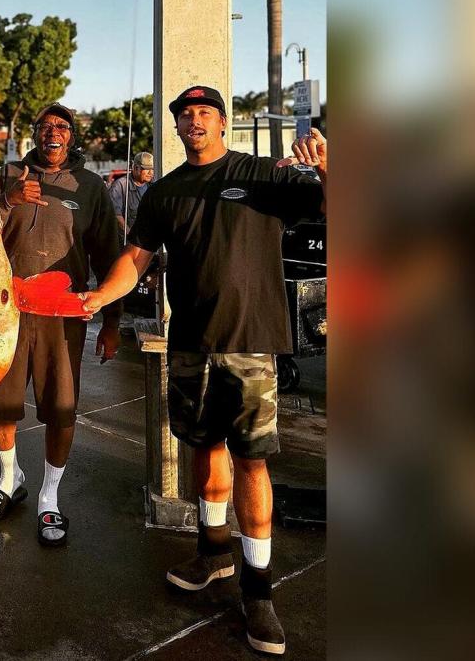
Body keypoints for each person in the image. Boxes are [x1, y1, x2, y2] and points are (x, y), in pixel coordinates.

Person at [80, 85, 327, 656]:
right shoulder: (165, 192)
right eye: (185, 114)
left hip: (248, 343)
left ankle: (258, 589)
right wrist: (99, 299)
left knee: (251, 460)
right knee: (203, 447)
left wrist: (329, 167)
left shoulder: (263, 175)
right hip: (188, 342)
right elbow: (135, 261)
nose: (194, 121)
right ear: (177, 126)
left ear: (222, 122)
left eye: (204, 113)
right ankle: (213, 550)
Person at [0, 103, 122, 546]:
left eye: (61, 126)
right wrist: (6, 200)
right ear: (35, 134)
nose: (52, 133)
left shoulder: (91, 187)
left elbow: (110, 257)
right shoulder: (8, 176)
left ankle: (48, 497)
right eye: (45, 127)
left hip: (62, 318)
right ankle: (10, 479)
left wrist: (113, 321)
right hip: (7, 313)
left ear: (71, 135)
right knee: (0, 405)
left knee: (60, 409)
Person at [108, 151, 154, 237]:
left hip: (148, 240)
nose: (151, 173)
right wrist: (131, 236)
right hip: (128, 242)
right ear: (136, 168)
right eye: (147, 169)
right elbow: (116, 215)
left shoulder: (153, 186)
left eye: (152, 169)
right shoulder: (121, 185)